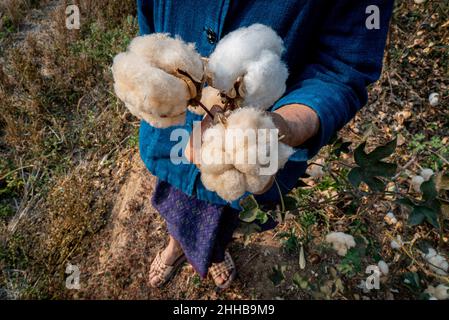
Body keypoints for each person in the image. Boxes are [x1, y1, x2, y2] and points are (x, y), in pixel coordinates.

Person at [137, 0, 394, 289]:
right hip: (171, 139)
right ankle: (176, 246)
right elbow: (148, 22)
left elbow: (342, 68)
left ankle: (214, 252)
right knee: (176, 203)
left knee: (228, 216)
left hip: (255, 154)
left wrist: (281, 126)